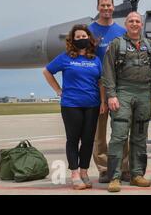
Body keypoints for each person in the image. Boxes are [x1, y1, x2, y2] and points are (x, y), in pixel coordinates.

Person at [101, 12, 151, 192]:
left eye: (137, 21)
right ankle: (115, 177)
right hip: (123, 92)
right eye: (131, 21)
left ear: (141, 25)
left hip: (144, 94)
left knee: (140, 137)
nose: (134, 24)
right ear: (126, 24)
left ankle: (137, 174)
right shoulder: (116, 44)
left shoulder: (150, 45)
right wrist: (111, 95)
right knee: (119, 136)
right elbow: (108, 72)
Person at [43, 24, 106, 190]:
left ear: (89, 39)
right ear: (72, 40)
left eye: (83, 36)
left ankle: (84, 172)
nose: (81, 39)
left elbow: (100, 82)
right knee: (73, 140)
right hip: (71, 105)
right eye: (77, 37)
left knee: (88, 140)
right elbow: (47, 71)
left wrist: (102, 102)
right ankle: (75, 174)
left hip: (92, 105)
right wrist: (58, 90)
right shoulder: (65, 58)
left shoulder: (95, 60)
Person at [89, 0, 129, 184]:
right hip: (97, 89)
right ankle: (104, 169)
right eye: (102, 5)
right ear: (98, 8)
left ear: (113, 7)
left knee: (121, 129)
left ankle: (125, 167)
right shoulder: (90, 31)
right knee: (100, 132)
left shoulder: (121, 31)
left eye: (108, 5)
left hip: (120, 88)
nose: (106, 8)